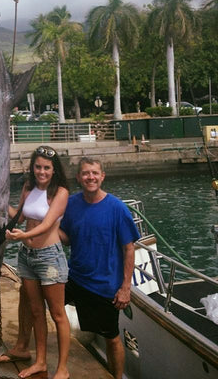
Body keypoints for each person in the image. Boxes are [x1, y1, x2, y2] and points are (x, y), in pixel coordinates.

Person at [59, 157, 140, 379]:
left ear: (102, 176)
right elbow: (66, 239)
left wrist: (125, 288)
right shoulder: (72, 204)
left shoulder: (117, 208)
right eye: (85, 173)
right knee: (41, 299)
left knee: (112, 337)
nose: (90, 177)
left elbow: (129, 249)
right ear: (78, 177)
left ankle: (116, 376)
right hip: (74, 278)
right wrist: (46, 225)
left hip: (104, 286)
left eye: (94, 173)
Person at [5, 145, 70, 379]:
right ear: (32, 168)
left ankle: (62, 368)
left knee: (57, 313)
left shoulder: (60, 192)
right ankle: (41, 362)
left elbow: (47, 223)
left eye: (47, 168)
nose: (42, 172)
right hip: (27, 256)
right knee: (35, 311)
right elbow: (20, 217)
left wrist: (22, 235)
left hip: (49, 257)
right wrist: (0, 202)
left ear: (54, 170)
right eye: (38, 167)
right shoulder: (28, 187)